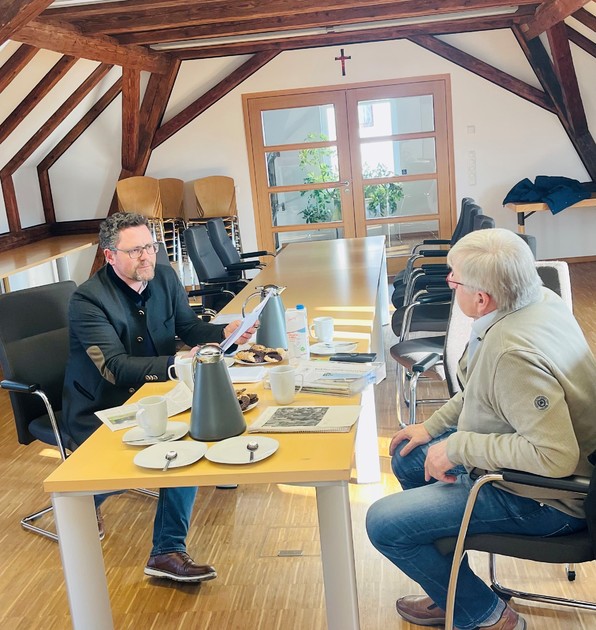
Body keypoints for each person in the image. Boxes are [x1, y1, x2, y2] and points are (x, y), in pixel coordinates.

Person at [366, 228, 596, 630]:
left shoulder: (513, 352)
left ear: (480, 297)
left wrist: (458, 447)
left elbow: (555, 458)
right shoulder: (539, 300)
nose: (450, 284)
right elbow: (481, 390)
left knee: (384, 524)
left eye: (453, 279)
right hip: (535, 476)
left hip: (548, 500)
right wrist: (433, 427)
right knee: (408, 457)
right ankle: (451, 589)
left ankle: (483, 615)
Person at [63, 212, 257, 584]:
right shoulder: (87, 300)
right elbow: (116, 368)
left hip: (158, 395)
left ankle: (164, 550)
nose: (147, 257)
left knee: (191, 436)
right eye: (135, 250)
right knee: (181, 447)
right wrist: (175, 362)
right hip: (104, 406)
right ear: (110, 256)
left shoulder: (164, 278)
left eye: (150, 247)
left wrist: (224, 330)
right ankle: (92, 501)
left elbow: (188, 327)